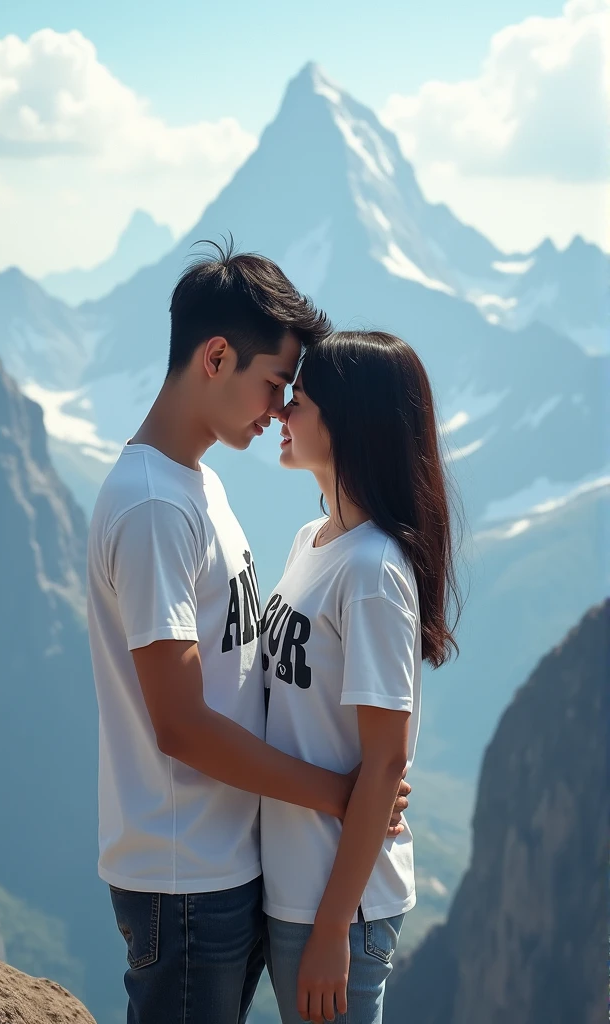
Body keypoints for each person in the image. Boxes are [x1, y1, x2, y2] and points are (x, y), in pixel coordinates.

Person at [86, 243, 412, 1024]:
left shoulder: (198, 487)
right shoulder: (155, 507)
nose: (278, 408)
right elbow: (181, 723)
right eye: (273, 382)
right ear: (216, 355)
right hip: (183, 871)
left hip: (226, 865)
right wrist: (343, 795)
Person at [261, 331, 461, 1024]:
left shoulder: (372, 572)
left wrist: (329, 932)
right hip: (298, 887)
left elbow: (385, 763)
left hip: (339, 906)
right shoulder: (311, 541)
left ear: (347, 423)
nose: (283, 412)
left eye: (302, 400)